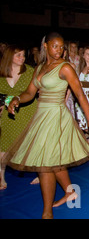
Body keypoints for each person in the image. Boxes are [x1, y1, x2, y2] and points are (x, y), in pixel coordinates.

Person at [3, 32, 89, 219]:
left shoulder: (65, 68)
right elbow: (30, 93)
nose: (59, 50)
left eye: (62, 46)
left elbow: (79, 94)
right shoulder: (39, 68)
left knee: (46, 164)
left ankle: (47, 213)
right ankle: (70, 192)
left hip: (56, 117)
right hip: (41, 116)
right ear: (45, 46)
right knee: (52, 161)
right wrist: (15, 98)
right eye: (55, 46)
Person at [0, 45, 38, 190]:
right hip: (7, 114)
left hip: (27, 110)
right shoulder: (2, 72)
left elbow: (32, 92)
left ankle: (40, 173)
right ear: (10, 57)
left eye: (23, 55)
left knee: (31, 144)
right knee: (3, 144)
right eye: (18, 55)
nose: (22, 58)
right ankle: (1, 177)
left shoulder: (29, 72)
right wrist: (4, 102)